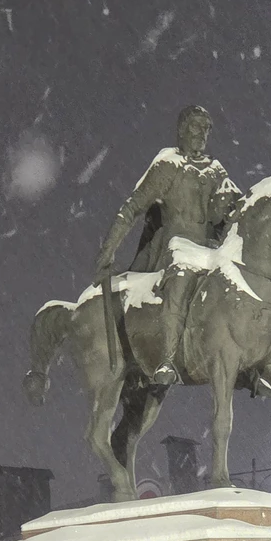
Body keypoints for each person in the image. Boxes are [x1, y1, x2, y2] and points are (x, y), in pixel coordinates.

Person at [95, 105, 242, 386]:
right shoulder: (168, 165)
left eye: (207, 128)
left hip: (209, 249)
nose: (203, 133)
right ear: (182, 129)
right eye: (197, 126)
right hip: (176, 247)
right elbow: (132, 209)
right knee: (182, 278)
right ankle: (167, 359)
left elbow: (236, 206)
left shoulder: (214, 170)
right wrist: (107, 252)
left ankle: (248, 363)